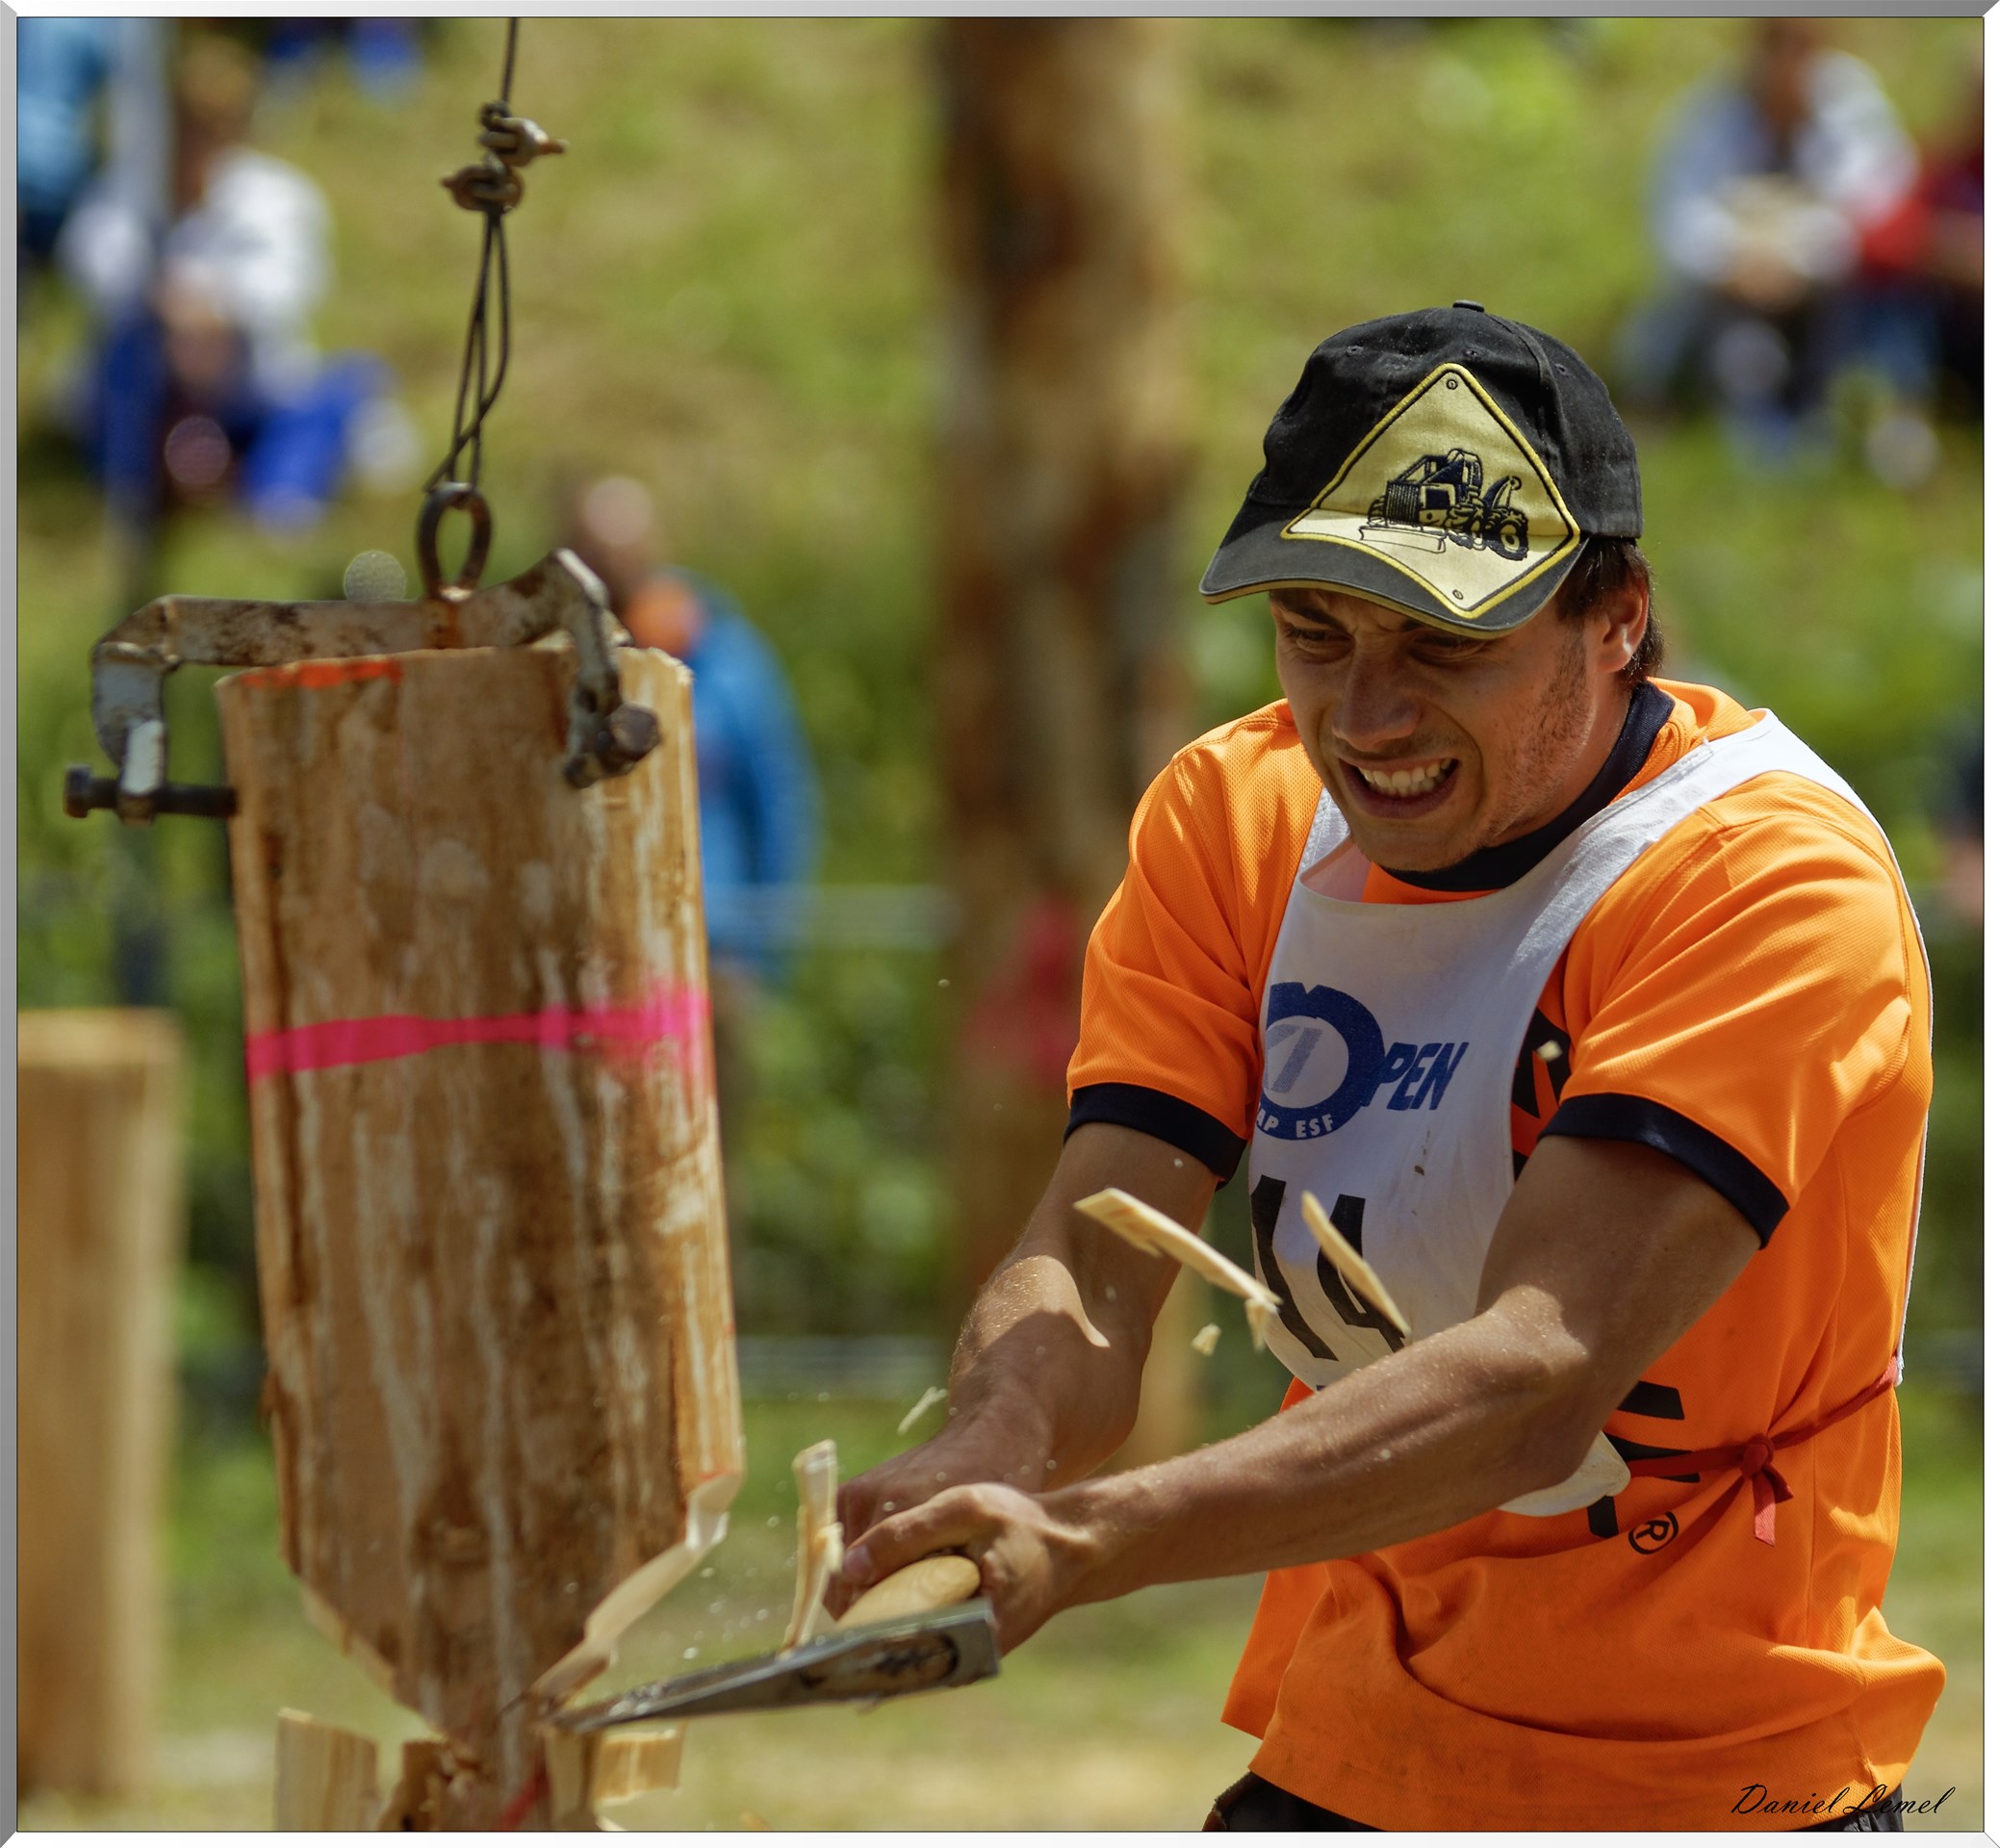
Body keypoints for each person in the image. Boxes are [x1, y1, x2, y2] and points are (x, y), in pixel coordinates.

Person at [832, 304, 1939, 1831]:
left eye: (1440, 644)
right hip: (1359, 1740)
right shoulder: (1237, 815)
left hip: (1707, 1771)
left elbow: (1536, 1382)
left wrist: (1101, 1537)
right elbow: (1096, 1255)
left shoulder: (1762, 882)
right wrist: (997, 1437)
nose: (1363, 717)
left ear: (1615, 616)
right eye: (1315, 636)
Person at [59, 32, 400, 529]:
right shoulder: (128, 183)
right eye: (185, 126)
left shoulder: (277, 195)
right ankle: (128, 487)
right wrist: (163, 302)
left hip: (251, 388)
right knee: (118, 371)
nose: (195, 142)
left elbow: (293, 280)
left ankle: (280, 503)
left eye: (209, 128)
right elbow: (90, 257)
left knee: (329, 396)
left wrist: (218, 308)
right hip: (152, 384)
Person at [1620, 21, 1922, 459]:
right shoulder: (1708, 113)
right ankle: (1737, 422)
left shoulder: (1852, 102)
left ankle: (1845, 412)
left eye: (1803, 47)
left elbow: (1880, 192)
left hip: (1826, 281)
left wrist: (1795, 259)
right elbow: (1675, 216)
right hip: (1735, 282)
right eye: (1778, 46)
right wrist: (1737, 263)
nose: (1790, 63)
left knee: (1868, 313)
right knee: (1739, 347)